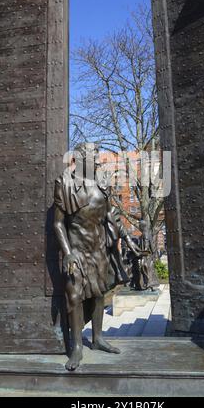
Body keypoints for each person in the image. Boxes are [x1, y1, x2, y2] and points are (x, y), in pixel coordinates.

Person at [54, 143, 135, 371]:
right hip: (77, 250)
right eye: (94, 157)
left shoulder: (101, 181)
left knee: (99, 293)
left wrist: (127, 239)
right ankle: (77, 347)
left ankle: (98, 338)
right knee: (75, 297)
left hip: (99, 248)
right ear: (80, 159)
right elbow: (58, 223)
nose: (98, 161)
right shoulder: (64, 183)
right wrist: (68, 254)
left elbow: (110, 214)